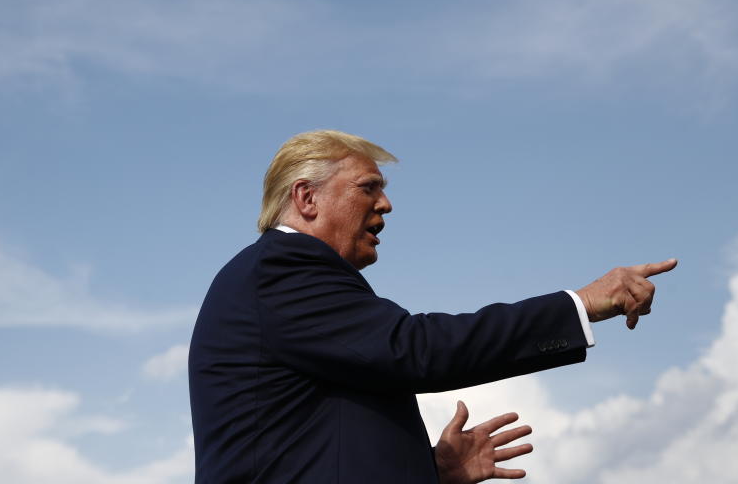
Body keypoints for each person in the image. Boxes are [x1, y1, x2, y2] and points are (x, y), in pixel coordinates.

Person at [189, 130, 675, 483]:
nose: (386, 205)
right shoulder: (283, 268)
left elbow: (317, 447)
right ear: (307, 197)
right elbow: (413, 348)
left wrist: (430, 471)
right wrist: (581, 304)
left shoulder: (287, 281)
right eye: (368, 187)